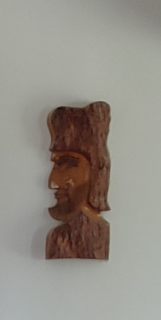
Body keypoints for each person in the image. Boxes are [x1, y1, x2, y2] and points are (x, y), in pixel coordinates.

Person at [46, 101, 111, 261]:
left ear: (96, 171)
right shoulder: (59, 238)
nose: (52, 183)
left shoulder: (96, 234)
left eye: (67, 165)